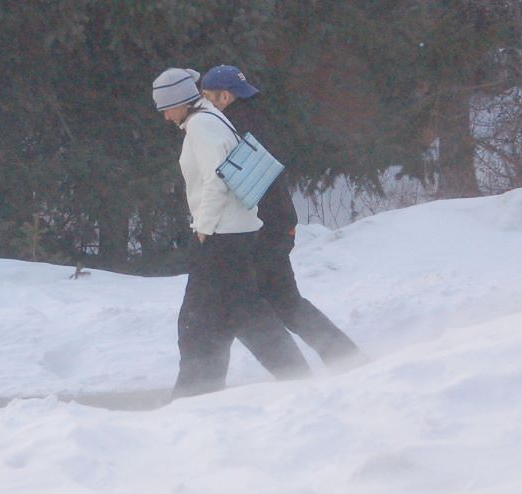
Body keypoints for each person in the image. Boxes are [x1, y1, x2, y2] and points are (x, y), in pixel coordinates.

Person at [152, 67, 311, 398]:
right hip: (235, 235)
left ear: (182, 101)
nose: (166, 117)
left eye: (167, 108)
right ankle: (294, 376)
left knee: (197, 321)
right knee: (238, 312)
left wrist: (203, 227)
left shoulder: (201, 126)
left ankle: (194, 396)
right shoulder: (210, 116)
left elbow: (216, 179)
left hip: (220, 237)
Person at [200, 65, 363, 369]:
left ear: (224, 97)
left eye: (207, 97)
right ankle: (341, 356)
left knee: (266, 303)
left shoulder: (235, 128)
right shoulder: (258, 120)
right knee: (278, 302)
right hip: (277, 225)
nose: (204, 105)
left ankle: (330, 362)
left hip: (264, 229)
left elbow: (239, 187)